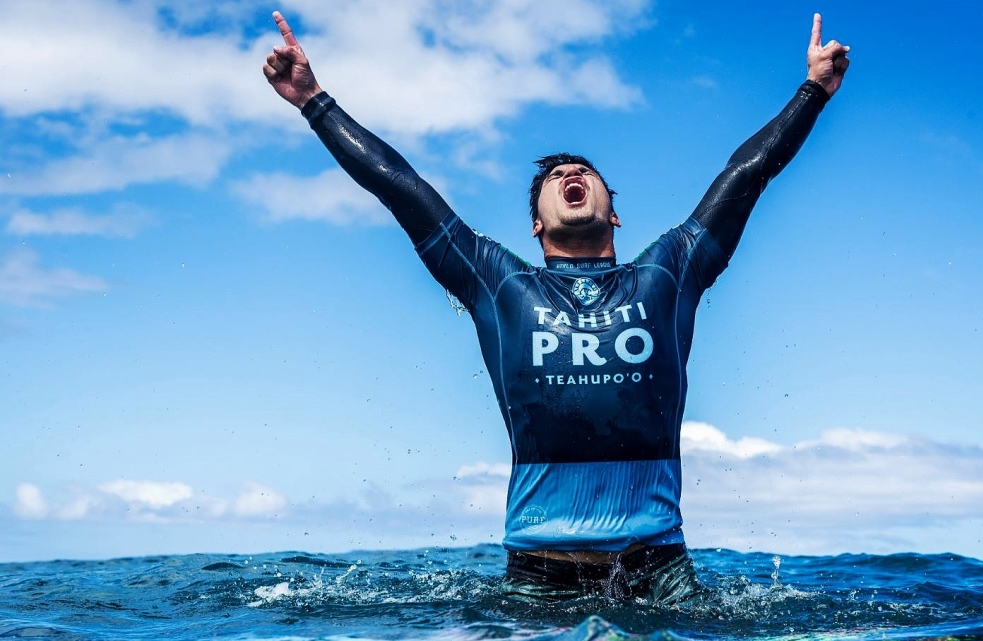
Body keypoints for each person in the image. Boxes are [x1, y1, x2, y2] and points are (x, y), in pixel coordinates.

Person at [264, 10, 849, 603]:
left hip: (662, 573)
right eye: (557, 176)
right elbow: (399, 185)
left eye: (585, 171)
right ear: (538, 223)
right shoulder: (497, 280)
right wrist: (314, 100)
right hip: (538, 577)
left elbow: (746, 175)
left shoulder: (669, 271)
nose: (572, 173)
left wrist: (813, 91)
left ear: (612, 212)